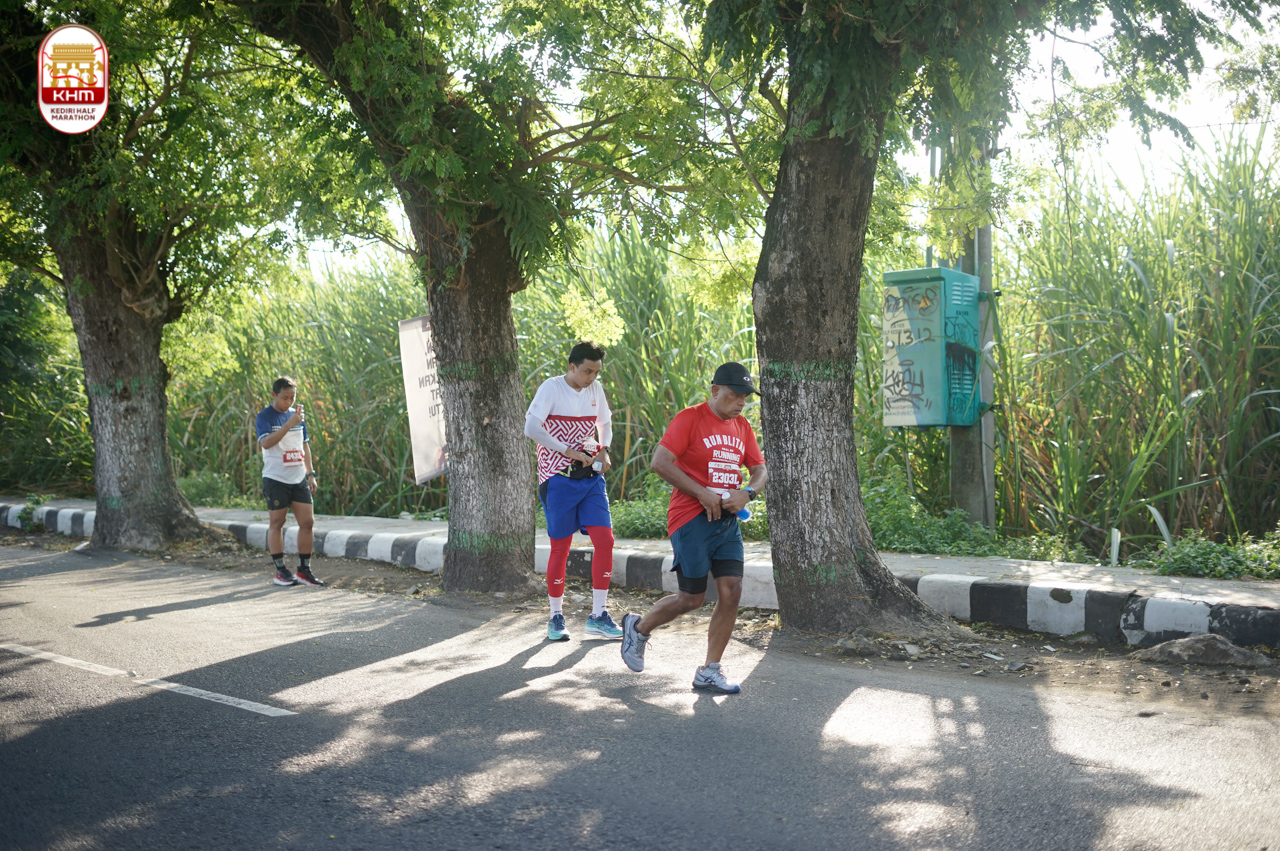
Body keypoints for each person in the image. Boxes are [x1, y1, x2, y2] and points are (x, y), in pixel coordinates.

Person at [620, 362, 767, 694]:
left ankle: (709, 671)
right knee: (691, 598)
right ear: (715, 391)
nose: (741, 402)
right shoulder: (690, 418)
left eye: (745, 397)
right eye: (735, 394)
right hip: (691, 518)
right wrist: (701, 493)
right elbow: (660, 462)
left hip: (727, 522)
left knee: (732, 590)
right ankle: (638, 629)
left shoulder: (742, 426)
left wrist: (747, 493)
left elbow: (760, 469)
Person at [524, 341, 621, 641]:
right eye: (587, 371)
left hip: (590, 477)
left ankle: (598, 615)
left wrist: (603, 449)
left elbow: (605, 423)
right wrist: (568, 451)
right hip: (557, 477)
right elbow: (531, 428)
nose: (592, 378)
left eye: (597, 372)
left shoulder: (595, 390)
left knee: (605, 541)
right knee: (560, 548)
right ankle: (555, 617)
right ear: (572, 367)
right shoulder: (551, 388)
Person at [256, 376, 323, 587]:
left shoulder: (297, 416)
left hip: (298, 478)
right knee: (277, 523)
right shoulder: (265, 416)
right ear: (274, 395)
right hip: (276, 478)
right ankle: (280, 571)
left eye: (292, 397)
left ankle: (304, 570)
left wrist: (310, 474)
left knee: (308, 523)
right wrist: (288, 424)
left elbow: (305, 445)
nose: (289, 402)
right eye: (285, 397)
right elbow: (266, 443)